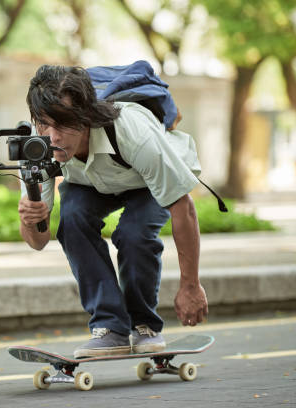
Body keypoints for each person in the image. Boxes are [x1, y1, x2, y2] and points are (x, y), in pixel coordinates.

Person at [18, 65, 209, 358]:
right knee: (73, 221)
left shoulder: (133, 131)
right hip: (90, 182)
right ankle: (110, 329)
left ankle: (145, 325)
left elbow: (184, 209)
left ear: (86, 116)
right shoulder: (38, 145)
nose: (53, 137)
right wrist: (30, 220)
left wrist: (191, 286)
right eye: (45, 124)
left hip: (145, 180)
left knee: (134, 233)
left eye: (65, 124)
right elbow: (38, 242)